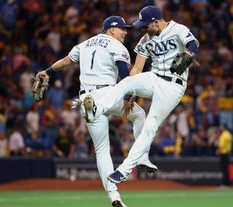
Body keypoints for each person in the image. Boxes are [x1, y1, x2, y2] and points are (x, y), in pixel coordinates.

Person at [36, 15, 157, 207]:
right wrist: (128, 95)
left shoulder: (84, 44)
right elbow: (123, 73)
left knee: (102, 150)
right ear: (111, 30)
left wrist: (47, 71)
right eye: (122, 29)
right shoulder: (117, 46)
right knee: (140, 114)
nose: (125, 32)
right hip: (108, 93)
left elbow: (66, 61)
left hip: (85, 97)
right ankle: (142, 157)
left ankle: (114, 196)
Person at [82, 5, 199, 183]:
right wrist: (130, 94)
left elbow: (192, 43)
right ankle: (96, 110)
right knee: (126, 82)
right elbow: (136, 68)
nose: (142, 28)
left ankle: (123, 170)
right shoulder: (146, 40)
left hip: (173, 87)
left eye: (145, 25)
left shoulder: (177, 29)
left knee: (150, 125)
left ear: (156, 22)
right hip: (154, 77)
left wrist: (190, 53)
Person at [216, 124, 233, 188]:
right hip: (228, 153)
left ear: (224, 128)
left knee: (224, 169)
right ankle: (227, 184)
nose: (220, 128)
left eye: (221, 127)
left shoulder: (223, 135)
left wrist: (218, 151)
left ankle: (224, 184)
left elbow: (221, 145)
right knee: (226, 169)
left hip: (223, 153)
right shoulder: (229, 134)